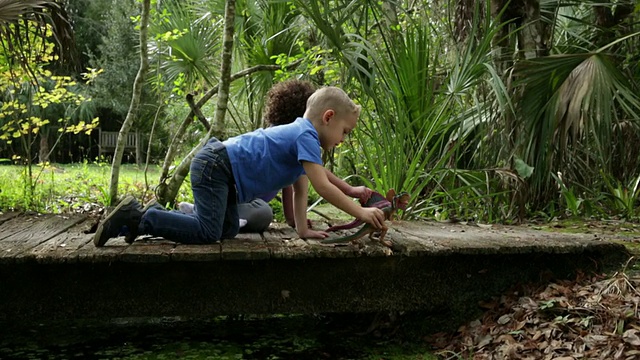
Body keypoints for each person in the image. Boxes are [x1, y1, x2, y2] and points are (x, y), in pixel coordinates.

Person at [94, 86, 385, 246]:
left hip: (222, 173)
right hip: (216, 166)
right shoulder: (305, 135)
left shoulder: (303, 140)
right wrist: (360, 211)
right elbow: (322, 185)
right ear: (329, 117)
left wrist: (302, 231)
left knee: (228, 228)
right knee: (208, 232)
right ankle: (140, 219)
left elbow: (302, 189)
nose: (344, 139)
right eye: (345, 131)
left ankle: (153, 214)